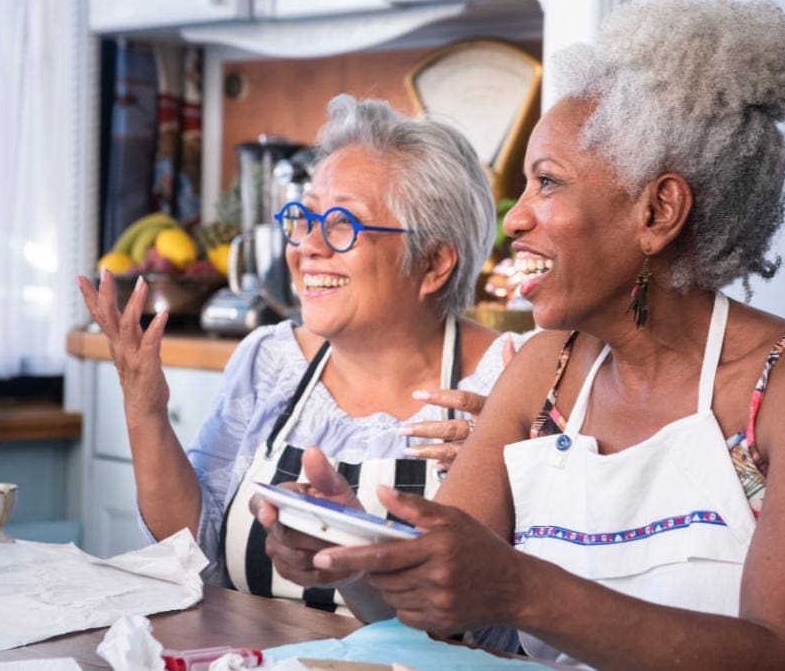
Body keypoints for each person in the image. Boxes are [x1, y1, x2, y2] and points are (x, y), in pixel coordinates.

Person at [255, 0, 785, 668]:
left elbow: (782, 655)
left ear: (658, 210)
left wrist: (522, 592)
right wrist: (354, 556)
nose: (514, 219)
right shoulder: (544, 369)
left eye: (547, 183)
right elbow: (432, 619)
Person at [78, 94, 522, 612]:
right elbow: (193, 551)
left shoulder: (507, 381)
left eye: (342, 224)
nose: (306, 246)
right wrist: (144, 407)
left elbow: (503, 618)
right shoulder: (270, 361)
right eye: (304, 219)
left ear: (434, 263)